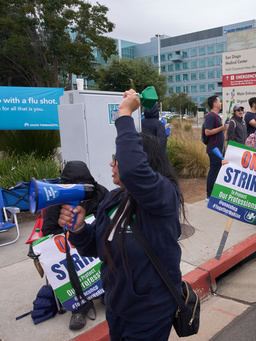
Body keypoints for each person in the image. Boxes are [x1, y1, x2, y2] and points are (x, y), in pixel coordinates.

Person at [58, 89, 185, 341]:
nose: (112, 165)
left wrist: (124, 114)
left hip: (150, 314)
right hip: (117, 309)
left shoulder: (164, 196)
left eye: (116, 159)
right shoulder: (114, 198)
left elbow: (134, 170)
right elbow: (95, 248)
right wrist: (79, 229)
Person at [41, 160, 108, 330]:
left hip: (94, 245)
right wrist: (72, 231)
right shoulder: (57, 199)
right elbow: (48, 230)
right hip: (70, 249)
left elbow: (109, 219)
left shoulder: (100, 192)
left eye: (83, 185)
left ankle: (105, 291)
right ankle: (80, 306)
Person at [204, 95, 228, 201]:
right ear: (215, 104)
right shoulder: (211, 116)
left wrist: (224, 130)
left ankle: (214, 193)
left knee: (218, 171)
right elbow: (207, 131)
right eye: (219, 101)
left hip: (219, 149)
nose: (221, 103)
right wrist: (222, 128)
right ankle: (209, 195)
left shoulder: (216, 116)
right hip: (214, 150)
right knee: (213, 172)